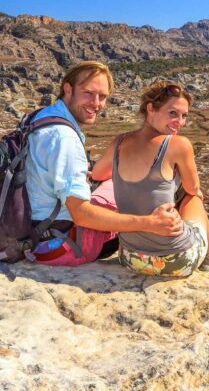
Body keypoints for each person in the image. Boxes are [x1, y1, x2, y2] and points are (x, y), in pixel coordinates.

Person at [25, 61, 183, 264]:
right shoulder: (64, 138)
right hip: (58, 245)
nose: (96, 103)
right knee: (144, 192)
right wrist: (149, 223)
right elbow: (81, 215)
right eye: (88, 93)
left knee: (113, 183)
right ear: (68, 89)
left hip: (32, 230)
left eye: (103, 97)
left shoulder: (42, 117)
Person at [92, 80, 209, 276]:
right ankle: (208, 257)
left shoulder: (119, 142)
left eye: (184, 116)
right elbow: (193, 189)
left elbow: (98, 174)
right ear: (151, 109)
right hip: (177, 260)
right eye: (173, 113)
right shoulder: (179, 144)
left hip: (130, 258)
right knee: (194, 199)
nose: (180, 122)